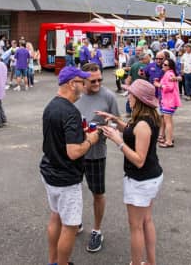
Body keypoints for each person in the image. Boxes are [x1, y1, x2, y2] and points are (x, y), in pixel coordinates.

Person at [98, 79, 163, 265]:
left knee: (136, 227)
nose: (128, 97)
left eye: (131, 94)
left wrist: (118, 141)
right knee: (146, 221)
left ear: (139, 98)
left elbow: (139, 160)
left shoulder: (143, 124)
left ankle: (136, 263)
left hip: (141, 180)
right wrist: (116, 120)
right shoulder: (147, 118)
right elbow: (131, 131)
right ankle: (151, 262)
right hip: (151, 177)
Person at [39, 66, 99, 265]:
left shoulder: (50, 106)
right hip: (66, 177)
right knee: (71, 226)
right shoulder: (71, 112)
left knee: (56, 216)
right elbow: (73, 152)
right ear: (72, 84)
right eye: (82, 82)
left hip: (50, 171)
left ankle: (53, 261)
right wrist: (90, 139)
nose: (84, 86)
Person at [74, 62, 120, 253]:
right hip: (75, 152)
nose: (98, 83)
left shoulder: (108, 96)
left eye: (100, 79)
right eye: (93, 81)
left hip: (96, 154)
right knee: (73, 189)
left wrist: (108, 128)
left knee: (97, 193)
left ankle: (97, 230)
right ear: (83, 80)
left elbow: (117, 123)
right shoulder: (74, 95)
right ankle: (75, 221)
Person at [157, 57, 181, 148]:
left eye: (165, 64)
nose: (163, 65)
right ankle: (169, 138)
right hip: (169, 100)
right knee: (169, 121)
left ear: (170, 67)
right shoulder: (169, 73)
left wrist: (160, 85)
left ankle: (169, 141)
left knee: (168, 121)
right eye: (163, 64)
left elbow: (169, 88)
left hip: (169, 101)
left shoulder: (169, 74)